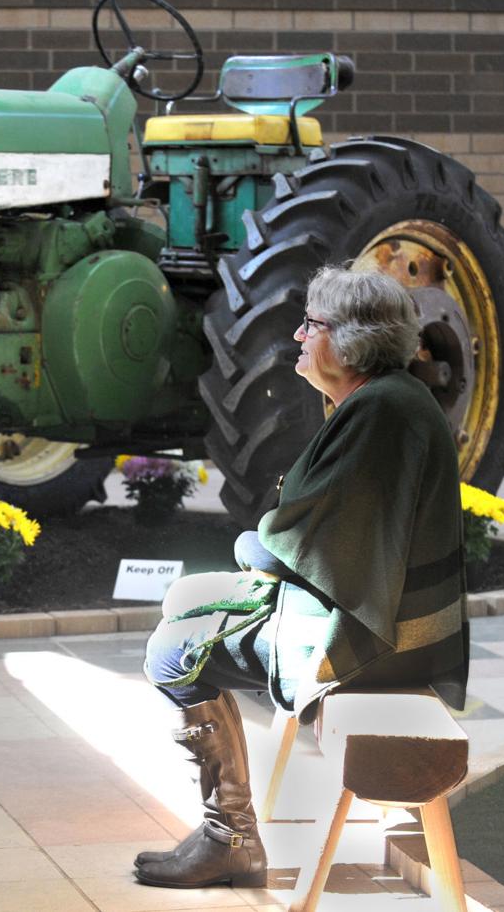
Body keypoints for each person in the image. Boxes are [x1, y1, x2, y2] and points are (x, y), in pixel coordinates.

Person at [134, 266, 468, 889]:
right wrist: (261, 546)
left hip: (377, 640)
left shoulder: (381, 410)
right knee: (182, 600)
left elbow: (306, 542)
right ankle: (227, 833)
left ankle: (229, 839)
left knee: (172, 652)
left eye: (311, 325)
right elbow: (322, 533)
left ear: (353, 340)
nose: (296, 336)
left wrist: (251, 545)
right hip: (379, 616)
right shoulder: (381, 400)